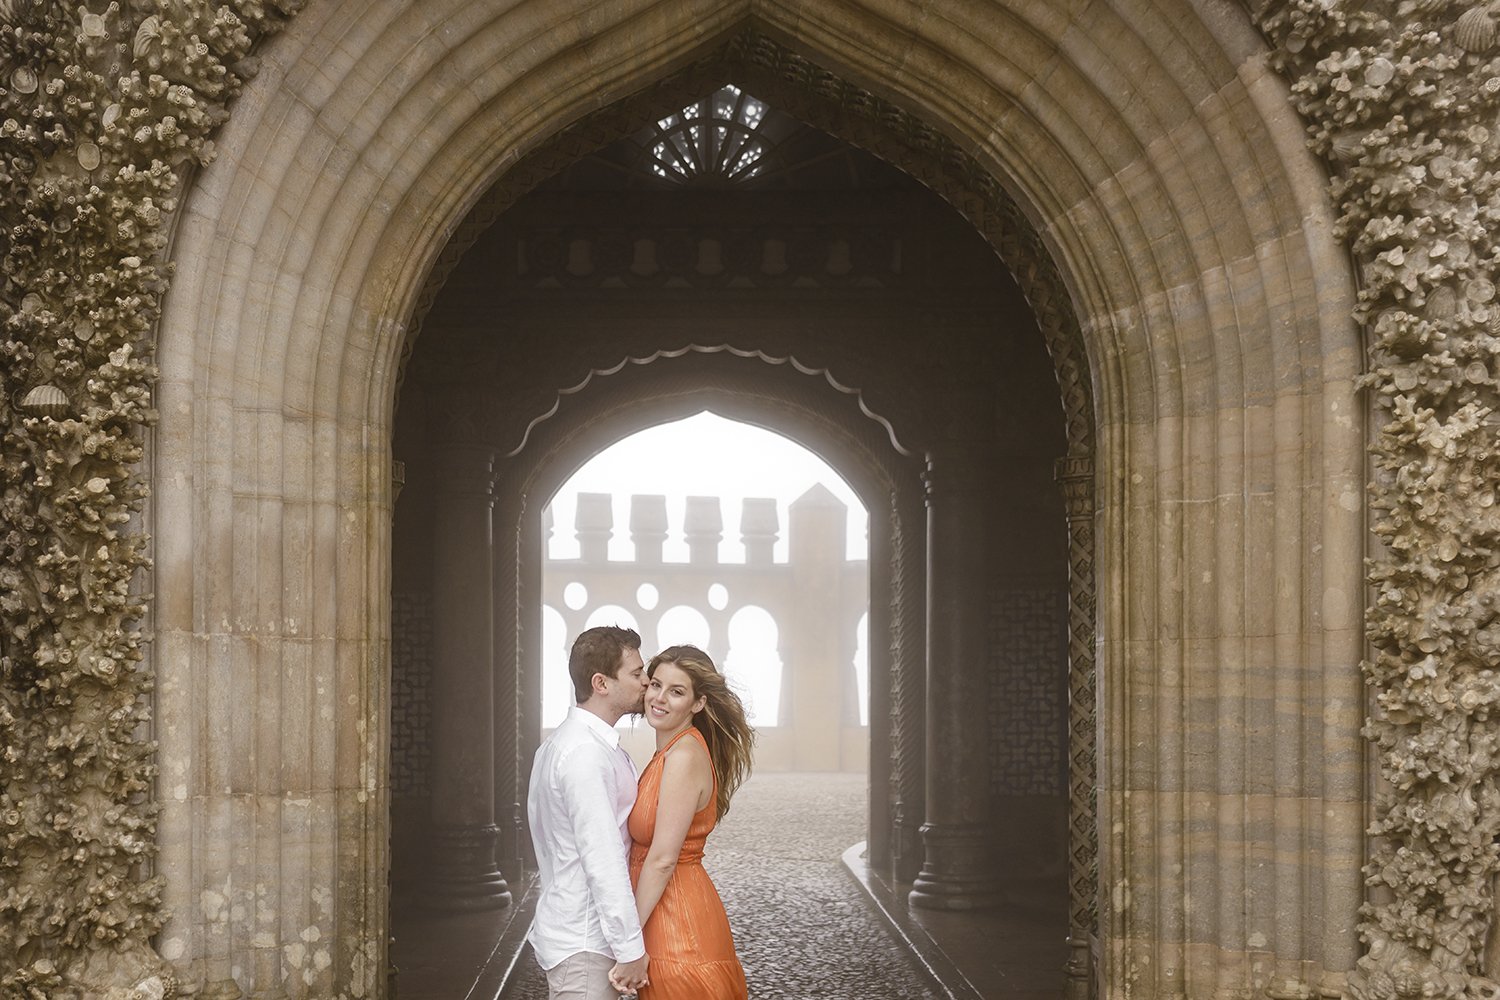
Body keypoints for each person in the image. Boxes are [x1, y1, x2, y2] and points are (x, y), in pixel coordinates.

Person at [617, 644, 755, 1000]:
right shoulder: (672, 750)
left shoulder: (683, 756)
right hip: (668, 919)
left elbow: (662, 860)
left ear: (698, 703)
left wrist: (625, 938)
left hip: (680, 930)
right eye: (656, 684)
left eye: (677, 691)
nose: (659, 698)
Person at [527, 625, 653, 999]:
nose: (647, 682)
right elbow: (603, 856)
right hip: (584, 940)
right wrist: (630, 949)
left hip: (579, 934)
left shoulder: (569, 743)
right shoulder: (585, 755)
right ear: (601, 683)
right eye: (636, 674)